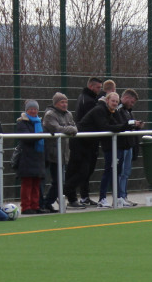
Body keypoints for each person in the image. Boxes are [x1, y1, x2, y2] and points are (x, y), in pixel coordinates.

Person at [78, 91, 130, 207]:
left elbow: (115, 125)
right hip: (87, 143)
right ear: (107, 101)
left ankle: (117, 197)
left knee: (115, 171)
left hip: (98, 143)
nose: (115, 103)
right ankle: (102, 198)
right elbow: (105, 127)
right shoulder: (100, 110)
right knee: (108, 171)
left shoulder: (111, 112)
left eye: (117, 101)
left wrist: (129, 126)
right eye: (113, 101)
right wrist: (124, 126)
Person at [67, 77, 104, 206]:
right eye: (98, 87)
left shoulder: (91, 99)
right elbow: (94, 120)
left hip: (88, 141)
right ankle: (67, 192)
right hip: (83, 142)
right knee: (81, 171)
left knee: (86, 171)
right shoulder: (87, 100)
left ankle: (84, 196)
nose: (100, 90)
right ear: (91, 86)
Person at [41, 92, 78, 212]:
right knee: (57, 181)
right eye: (62, 102)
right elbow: (57, 128)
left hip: (64, 152)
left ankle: (47, 203)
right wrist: (70, 129)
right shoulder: (50, 115)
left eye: (66, 102)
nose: (65, 104)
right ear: (56, 103)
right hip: (51, 153)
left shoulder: (68, 114)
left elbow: (74, 127)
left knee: (59, 181)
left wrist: (70, 129)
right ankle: (46, 203)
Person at [14, 100, 46, 214]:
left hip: (38, 156)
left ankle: (35, 205)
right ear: (26, 110)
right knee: (27, 183)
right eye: (31, 109)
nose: (33, 111)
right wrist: (41, 135)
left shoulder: (40, 122)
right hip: (26, 157)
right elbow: (27, 138)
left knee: (36, 183)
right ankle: (26, 207)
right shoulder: (21, 122)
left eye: (35, 109)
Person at [116, 89, 144, 207]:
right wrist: (132, 124)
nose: (132, 104)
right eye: (131, 102)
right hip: (121, 146)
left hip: (129, 146)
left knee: (126, 172)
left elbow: (129, 126)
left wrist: (137, 127)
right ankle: (119, 197)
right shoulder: (118, 110)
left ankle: (124, 196)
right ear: (126, 98)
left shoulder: (128, 111)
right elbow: (121, 125)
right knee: (120, 172)